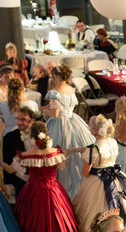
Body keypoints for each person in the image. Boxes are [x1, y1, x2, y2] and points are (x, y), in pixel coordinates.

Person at [12, 122, 85, 232]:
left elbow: (16, 170)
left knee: (33, 227)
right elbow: (63, 165)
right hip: (54, 193)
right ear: (46, 134)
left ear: (33, 136)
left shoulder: (28, 154)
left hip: (34, 194)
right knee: (61, 225)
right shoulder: (54, 152)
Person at [41, 63, 95, 199]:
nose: (52, 79)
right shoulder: (71, 89)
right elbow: (61, 105)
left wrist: (42, 111)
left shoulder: (54, 92)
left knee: (60, 151)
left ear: (58, 76)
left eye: (54, 76)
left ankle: (62, 189)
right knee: (76, 151)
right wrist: (45, 108)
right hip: (74, 120)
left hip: (59, 124)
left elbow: (55, 112)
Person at [0, 106, 39, 199]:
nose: (19, 122)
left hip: (38, 179)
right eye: (17, 119)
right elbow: (7, 159)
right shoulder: (9, 137)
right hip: (19, 181)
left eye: (23, 119)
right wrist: (9, 184)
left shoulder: (39, 135)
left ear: (31, 121)